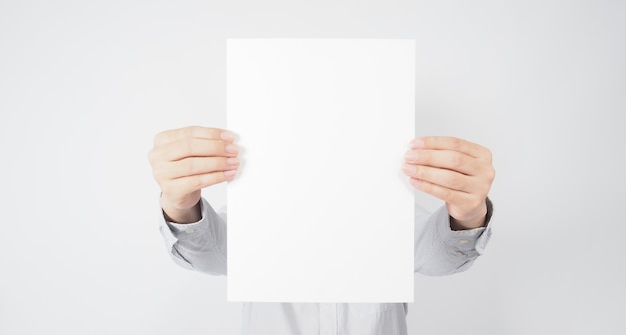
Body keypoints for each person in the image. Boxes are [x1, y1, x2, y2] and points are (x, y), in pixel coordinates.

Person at [148, 126, 495, 335]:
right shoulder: (257, 208)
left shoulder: (390, 208)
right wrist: (182, 205)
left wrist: (466, 213)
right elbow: (210, 252)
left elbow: (438, 257)